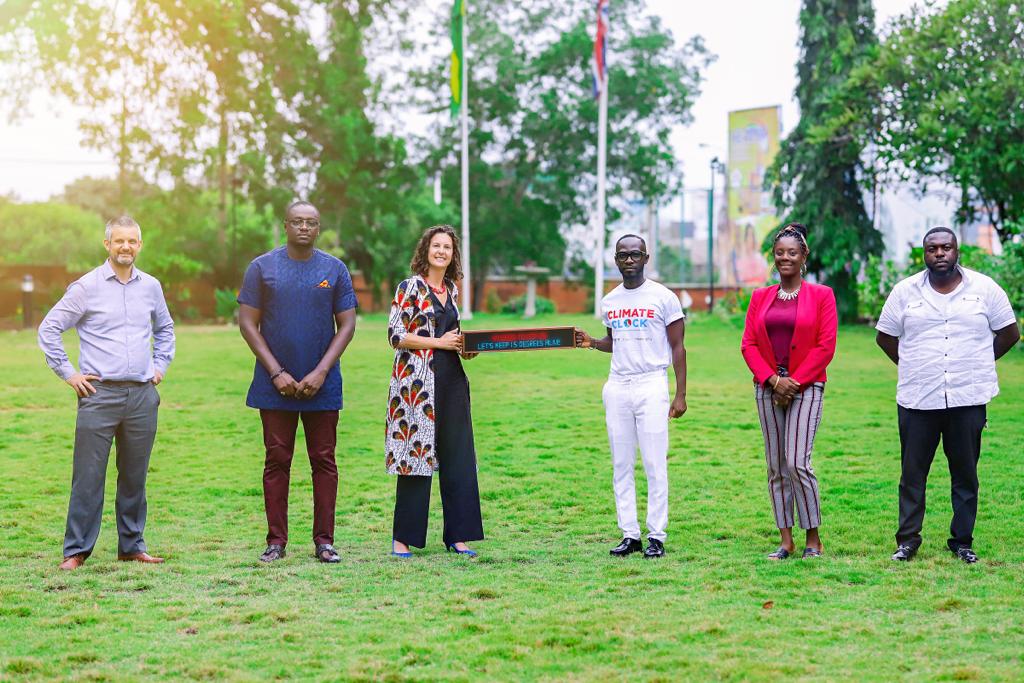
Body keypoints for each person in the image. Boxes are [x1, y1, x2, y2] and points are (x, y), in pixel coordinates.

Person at [38, 215, 175, 570]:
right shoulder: (86, 287)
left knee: (135, 476)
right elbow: (49, 328)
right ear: (107, 245)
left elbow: (165, 329)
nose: (125, 247)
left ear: (139, 245)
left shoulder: (151, 287)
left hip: (142, 396)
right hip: (99, 395)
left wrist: (159, 366)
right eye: (119, 241)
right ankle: (77, 550)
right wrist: (69, 373)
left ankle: (131, 545)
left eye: (132, 241)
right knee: (88, 475)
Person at [876, 227, 1020, 564]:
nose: (940, 254)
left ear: (958, 251)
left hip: (967, 398)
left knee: (965, 475)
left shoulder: (985, 290)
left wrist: (979, 361)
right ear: (923, 254)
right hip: (917, 398)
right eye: (932, 249)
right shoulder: (904, 292)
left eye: (946, 247)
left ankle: (962, 541)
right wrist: (910, 364)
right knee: (912, 475)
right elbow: (885, 337)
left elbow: (1010, 333)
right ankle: (907, 541)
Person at [238, 200, 357, 564]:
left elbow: (348, 324)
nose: (303, 227)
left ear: (318, 229)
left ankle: (325, 542)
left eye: (311, 223)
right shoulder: (262, 268)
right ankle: (276, 542)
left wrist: (321, 371)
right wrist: (276, 372)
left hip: (322, 386)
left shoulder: (334, 270)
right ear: (285, 225)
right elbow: (247, 322)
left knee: (324, 461)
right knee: (276, 461)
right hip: (275, 387)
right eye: (297, 222)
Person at [575, 234, 687, 559]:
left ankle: (656, 535)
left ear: (646, 257)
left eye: (635, 254)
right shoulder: (610, 301)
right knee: (621, 463)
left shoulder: (664, 297)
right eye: (622, 255)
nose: (629, 260)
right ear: (615, 259)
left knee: (654, 462)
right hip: (618, 385)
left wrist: (680, 394)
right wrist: (592, 342)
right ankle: (630, 534)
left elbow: (678, 347)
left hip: (652, 383)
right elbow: (616, 342)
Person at [740, 223, 837, 560]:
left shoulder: (822, 296)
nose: (785, 258)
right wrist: (772, 380)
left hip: (807, 387)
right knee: (776, 466)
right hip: (767, 388)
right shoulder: (759, 297)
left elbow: (826, 346)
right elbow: (749, 344)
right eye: (779, 253)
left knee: (797, 462)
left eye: (791, 252)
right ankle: (786, 540)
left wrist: (793, 381)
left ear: (803, 256)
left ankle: (813, 538)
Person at [386, 225, 483, 558]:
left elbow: (451, 336)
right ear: (426, 250)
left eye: (448, 247)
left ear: (453, 254)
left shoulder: (451, 291)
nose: (442, 251)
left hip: (452, 381)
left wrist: (463, 347)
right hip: (417, 386)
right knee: (417, 458)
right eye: (436, 245)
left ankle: (458, 536)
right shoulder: (410, 287)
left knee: (459, 458)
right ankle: (403, 539)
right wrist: (438, 342)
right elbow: (396, 335)